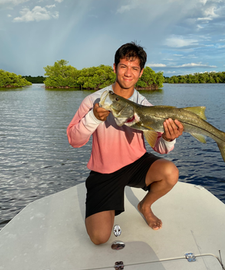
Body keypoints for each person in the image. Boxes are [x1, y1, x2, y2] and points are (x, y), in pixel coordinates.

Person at [67, 42, 184, 245]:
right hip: (105, 171)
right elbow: (74, 141)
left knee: (170, 172)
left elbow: (158, 147)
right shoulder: (94, 100)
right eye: (123, 66)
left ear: (141, 73)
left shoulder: (147, 107)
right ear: (114, 68)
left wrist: (168, 138)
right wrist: (93, 118)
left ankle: (144, 206)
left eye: (134, 68)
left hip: (136, 164)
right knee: (99, 237)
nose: (128, 73)